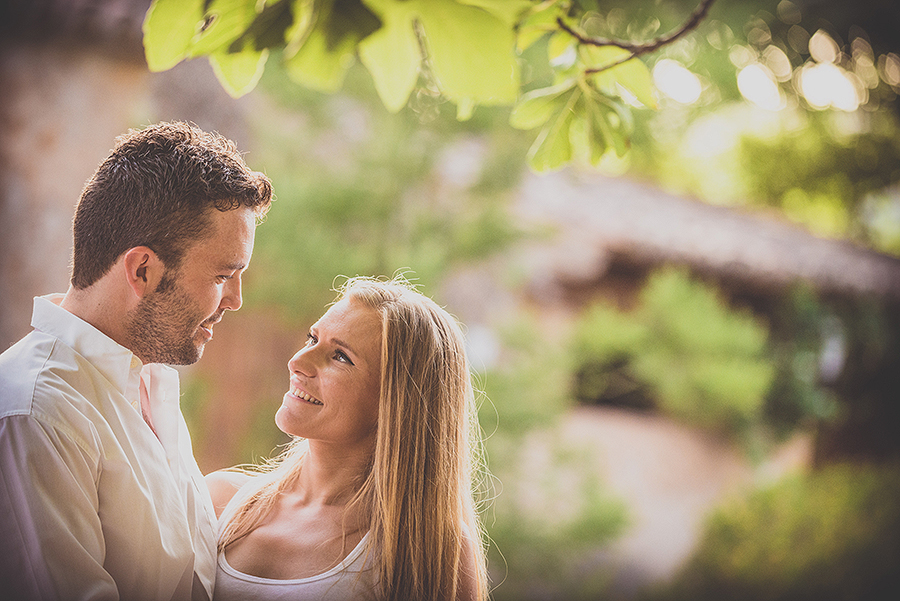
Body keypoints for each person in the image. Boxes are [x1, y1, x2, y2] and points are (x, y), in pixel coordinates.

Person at [0, 121, 273, 601]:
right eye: (223, 275)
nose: (235, 300)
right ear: (142, 269)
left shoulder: (150, 383)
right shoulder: (36, 413)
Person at [206, 276, 490, 601]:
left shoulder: (430, 551)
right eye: (312, 339)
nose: (297, 362)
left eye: (340, 356)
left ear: (397, 405)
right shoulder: (218, 503)